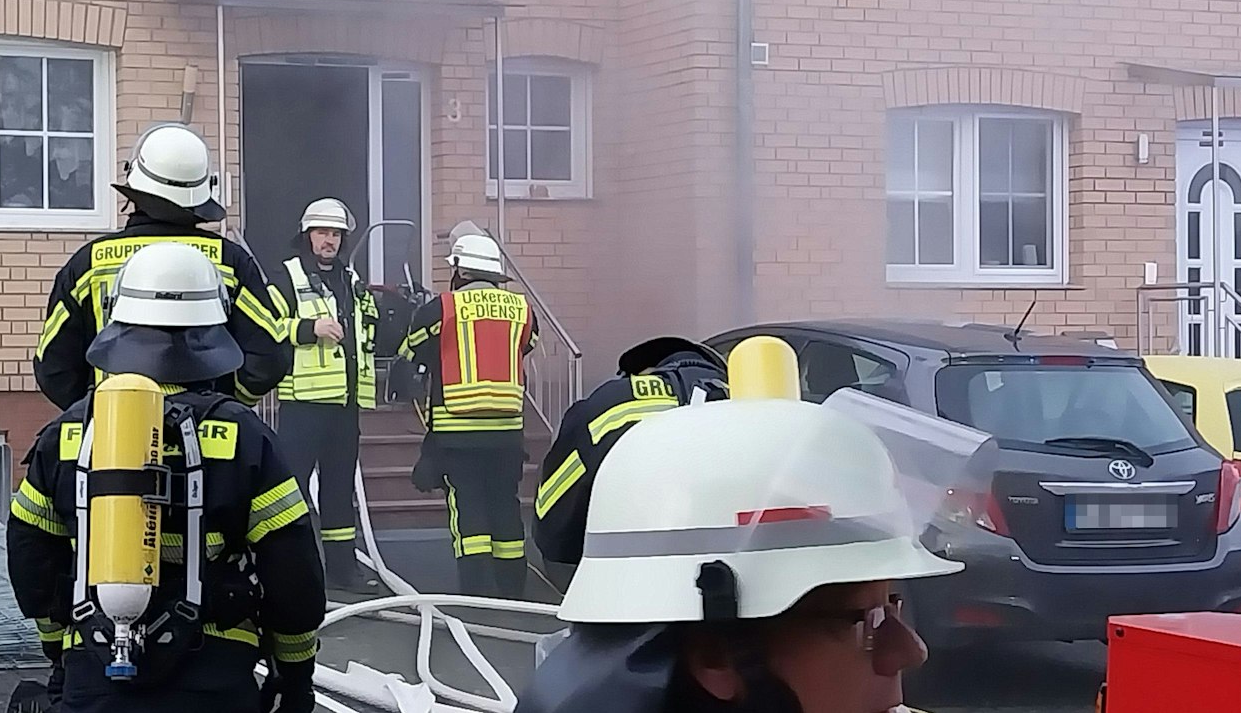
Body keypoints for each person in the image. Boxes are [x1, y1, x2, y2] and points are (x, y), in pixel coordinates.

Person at [518, 337, 966, 713]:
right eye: (864, 623)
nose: (911, 651)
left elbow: (553, 519)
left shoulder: (614, 408)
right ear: (716, 655)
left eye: (894, 604)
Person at [8, 241, 325, 713]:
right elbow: (294, 569)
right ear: (212, 329)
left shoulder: (70, 432)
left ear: (120, 322)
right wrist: (295, 674)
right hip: (216, 681)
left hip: (95, 677)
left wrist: (61, 650)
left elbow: (31, 554)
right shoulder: (244, 437)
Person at [38, 124, 293, 409]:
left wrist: (98, 413)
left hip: (114, 438)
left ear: (134, 184)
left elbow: (54, 366)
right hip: (211, 439)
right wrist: (225, 407)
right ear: (202, 192)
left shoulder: (88, 264)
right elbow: (269, 358)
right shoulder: (229, 261)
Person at [399, 232, 537, 598]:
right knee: (506, 507)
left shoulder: (442, 308)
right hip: (507, 433)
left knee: (469, 510)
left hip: (457, 432)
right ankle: (513, 591)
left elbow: (411, 350)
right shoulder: (522, 309)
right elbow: (528, 345)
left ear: (459, 269)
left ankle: (476, 594)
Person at [534, 337, 730, 576]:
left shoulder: (609, 403)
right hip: (751, 583)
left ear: (643, 372)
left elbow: (553, 512)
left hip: (634, 580)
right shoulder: (751, 397)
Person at [270, 198, 380, 593]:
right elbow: (265, 326)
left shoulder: (351, 280)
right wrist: (308, 328)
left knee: (338, 489)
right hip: (303, 406)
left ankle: (342, 571)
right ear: (307, 236)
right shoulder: (286, 277)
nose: (329, 240)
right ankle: (289, 568)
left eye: (335, 234)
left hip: (345, 405)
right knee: (292, 487)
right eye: (322, 233)